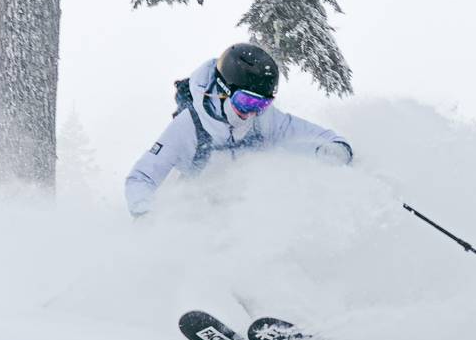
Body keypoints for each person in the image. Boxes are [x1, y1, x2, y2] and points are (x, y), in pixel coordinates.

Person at [125, 43, 353, 217]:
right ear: (222, 91)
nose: (252, 113)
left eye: (261, 104)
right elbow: (141, 177)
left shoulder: (263, 120)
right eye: (246, 102)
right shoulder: (188, 126)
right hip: (198, 212)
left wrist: (336, 148)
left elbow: (310, 134)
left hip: (248, 212)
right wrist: (146, 214)